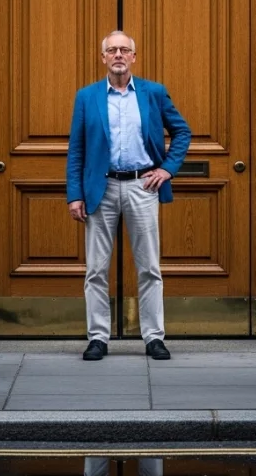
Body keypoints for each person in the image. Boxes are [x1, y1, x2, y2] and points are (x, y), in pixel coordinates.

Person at [66, 31, 191, 361]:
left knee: (149, 266)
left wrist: (167, 169)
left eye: (124, 50)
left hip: (142, 186)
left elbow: (182, 132)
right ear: (103, 57)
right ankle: (97, 338)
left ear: (134, 57)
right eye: (112, 50)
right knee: (95, 269)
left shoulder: (153, 93)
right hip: (100, 188)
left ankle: (153, 337)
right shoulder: (86, 97)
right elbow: (76, 150)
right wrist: (74, 195)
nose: (118, 55)